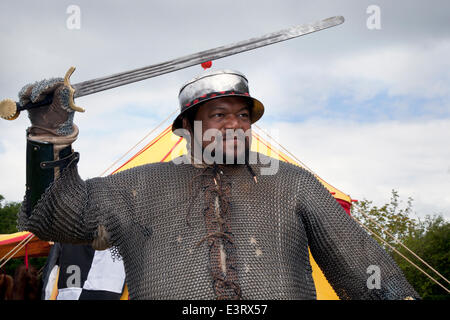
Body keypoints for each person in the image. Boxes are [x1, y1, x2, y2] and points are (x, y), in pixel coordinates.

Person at [17, 69, 419, 300]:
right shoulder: (137, 186)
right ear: (187, 128)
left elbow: (362, 265)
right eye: (220, 115)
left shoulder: (292, 184)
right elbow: (54, 216)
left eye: (243, 116)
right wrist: (49, 129)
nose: (235, 125)